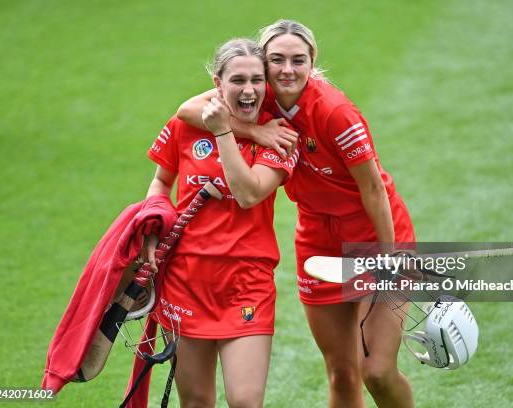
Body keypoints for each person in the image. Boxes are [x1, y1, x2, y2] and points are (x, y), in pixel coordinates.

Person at [177, 20, 417, 408]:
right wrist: (255, 132)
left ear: (312, 61)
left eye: (297, 60)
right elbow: (188, 109)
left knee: (375, 371)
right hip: (317, 241)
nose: (287, 69)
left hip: (376, 237)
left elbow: (374, 189)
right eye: (277, 60)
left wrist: (389, 258)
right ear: (264, 64)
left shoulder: (335, 112)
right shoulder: (260, 96)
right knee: (341, 371)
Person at [143, 38, 297, 408]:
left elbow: (248, 194)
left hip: (246, 283)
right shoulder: (185, 126)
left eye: (257, 81)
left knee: (245, 401)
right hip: (186, 279)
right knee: (195, 402)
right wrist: (150, 230)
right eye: (237, 80)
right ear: (218, 83)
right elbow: (162, 182)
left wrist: (226, 132)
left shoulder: (280, 136)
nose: (249, 90)